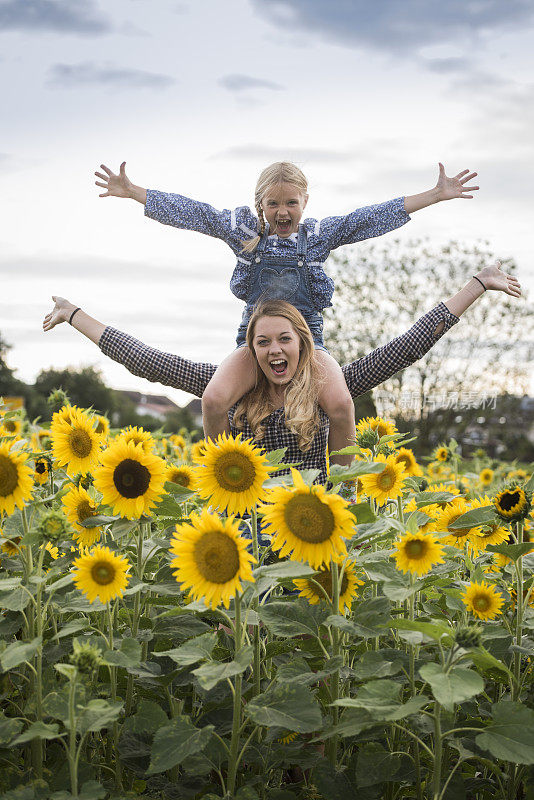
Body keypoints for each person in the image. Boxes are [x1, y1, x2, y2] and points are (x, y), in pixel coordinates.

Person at [93, 160, 479, 464]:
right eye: (273, 203)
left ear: (304, 202)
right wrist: (135, 193)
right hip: (256, 344)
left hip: (308, 345)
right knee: (212, 400)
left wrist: (434, 195)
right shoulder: (245, 233)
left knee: (343, 404)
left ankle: (346, 490)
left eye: (290, 202)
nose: (282, 211)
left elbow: (366, 220)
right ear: (259, 204)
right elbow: (196, 213)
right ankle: (223, 473)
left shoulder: (317, 237)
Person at [43, 262, 519, 483]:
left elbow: (408, 346)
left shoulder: (332, 387)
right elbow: (147, 360)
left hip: (311, 522)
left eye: (284, 339)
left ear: (302, 343)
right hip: (250, 523)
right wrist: (75, 314)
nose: (274, 350)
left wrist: (476, 285)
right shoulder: (229, 391)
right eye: (262, 341)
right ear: (250, 350)